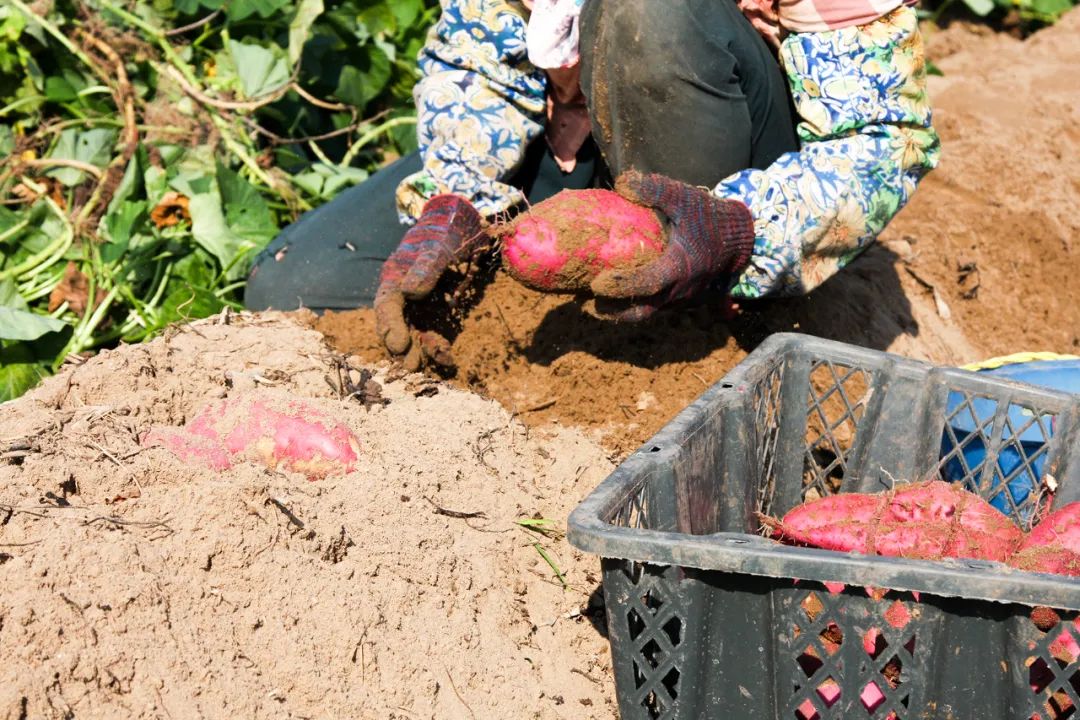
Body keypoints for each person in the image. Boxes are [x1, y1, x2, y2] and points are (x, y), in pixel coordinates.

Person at [245, 0, 939, 371]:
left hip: (736, 164)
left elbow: (881, 140)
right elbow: (474, 59)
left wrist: (743, 228)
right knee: (294, 284)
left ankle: (695, 310)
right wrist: (462, 195)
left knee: (645, 10)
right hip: (568, 141)